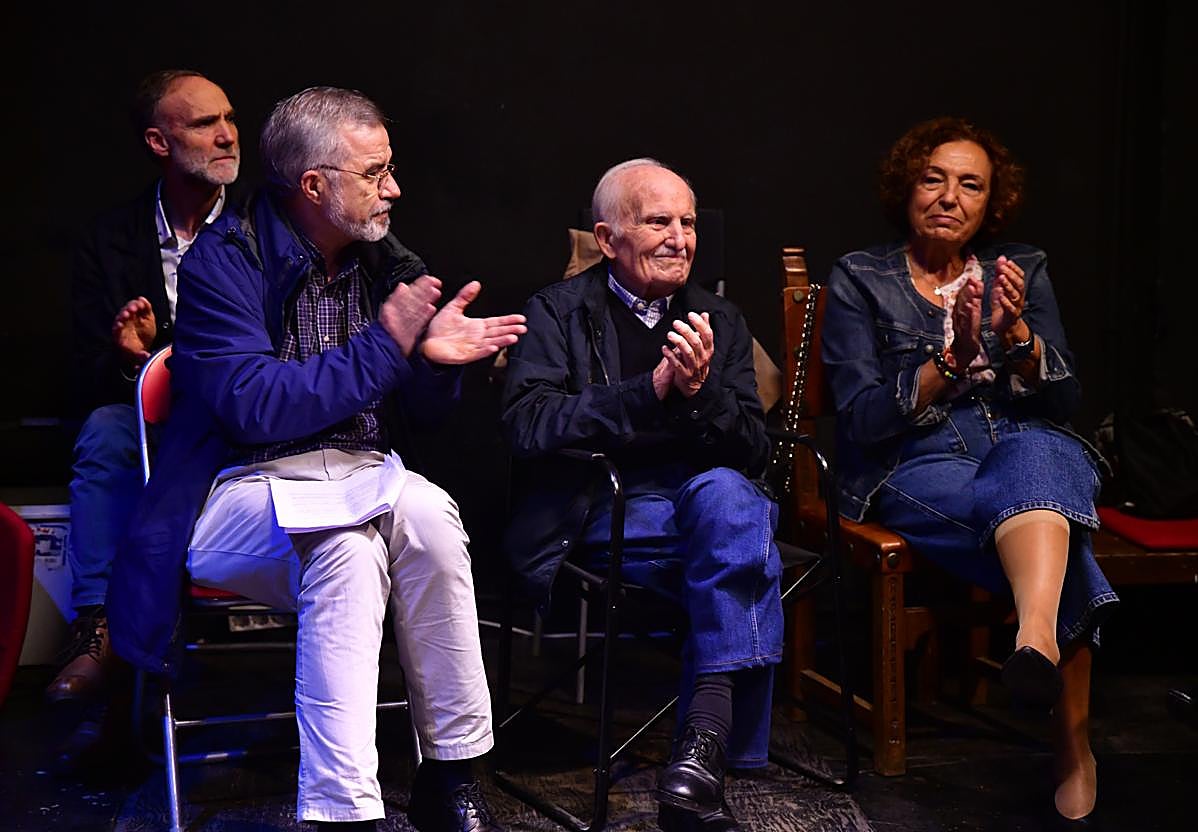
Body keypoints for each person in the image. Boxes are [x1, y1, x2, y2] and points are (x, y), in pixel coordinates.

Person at [107, 86, 526, 832]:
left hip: (360, 478)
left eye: (390, 169)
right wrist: (385, 348)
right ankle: (346, 809)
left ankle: (449, 777)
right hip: (238, 493)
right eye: (374, 173)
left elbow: (420, 420)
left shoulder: (385, 263)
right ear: (314, 185)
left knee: (416, 520)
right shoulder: (221, 264)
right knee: (354, 540)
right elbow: (257, 404)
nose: (393, 188)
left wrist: (433, 366)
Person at [820, 116, 1119, 823]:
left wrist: (1018, 338)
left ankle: (1033, 638)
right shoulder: (861, 277)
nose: (950, 196)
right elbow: (861, 420)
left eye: (970, 184)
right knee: (1067, 542)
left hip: (1018, 441)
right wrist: (947, 360)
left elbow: (1067, 397)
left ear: (992, 203)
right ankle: (1072, 741)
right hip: (916, 461)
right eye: (934, 178)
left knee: (1042, 451)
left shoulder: (1025, 267)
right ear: (907, 187)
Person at [501, 158, 781, 832]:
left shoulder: (720, 319)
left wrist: (701, 392)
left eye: (687, 222)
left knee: (729, 500)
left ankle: (695, 759)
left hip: (704, 506)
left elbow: (754, 448)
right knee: (746, 551)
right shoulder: (557, 311)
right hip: (603, 507)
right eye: (659, 221)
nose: (680, 237)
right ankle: (716, 750)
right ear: (608, 238)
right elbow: (527, 424)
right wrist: (648, 391)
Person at [50, 69, 240, 709]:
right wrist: (131, 358)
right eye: (204, 124)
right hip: (151, 419)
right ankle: (98, 629)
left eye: (229, 119)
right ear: (160, 143)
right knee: (105, 427)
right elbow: (79, 373)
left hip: (242, 418)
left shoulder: (264, 229)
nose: (227, 136)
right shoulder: (110, 239)